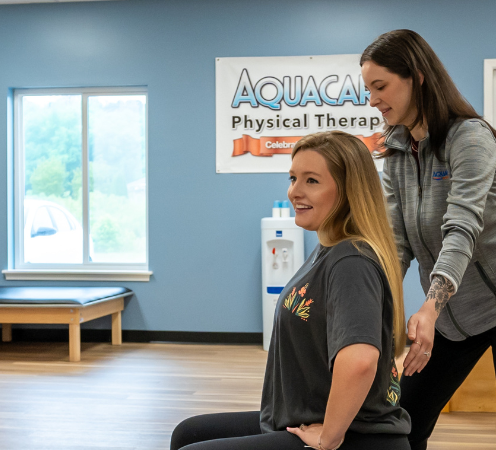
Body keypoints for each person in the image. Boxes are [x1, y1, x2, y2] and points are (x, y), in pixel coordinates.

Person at [361, 29, 496, 450]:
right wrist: (371, 302)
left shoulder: (469, 137)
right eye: (369, 89)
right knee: (405, 423)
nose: (374, 99)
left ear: (416, 76)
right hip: (453, 319)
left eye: (380, 86)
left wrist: (429, 310)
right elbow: (398, 243)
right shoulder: (397, 151)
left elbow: (462, 229)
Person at [169, 131, 412, 450]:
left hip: (358, 436)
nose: (294, 191)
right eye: (293, 178)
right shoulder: (329, 247)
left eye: (311, 181)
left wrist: (328, 437)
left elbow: (361, 361)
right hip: (304, 415)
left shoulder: (351, 260)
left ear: (348, 191)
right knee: (189, 433)